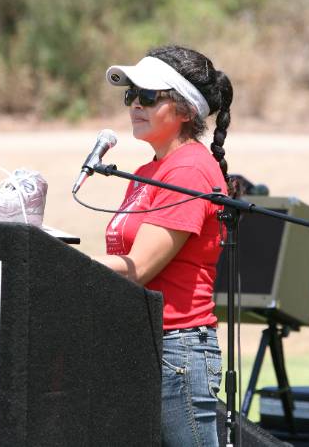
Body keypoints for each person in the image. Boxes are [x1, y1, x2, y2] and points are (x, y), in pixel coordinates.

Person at [92, 45, 234, 447]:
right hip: (144, 343)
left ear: (186, 110)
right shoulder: (146, 172)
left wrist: (67, 264)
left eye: (149, 96)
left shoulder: (188, 168)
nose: (135, 104)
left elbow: (139, 267)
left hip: (177, 351)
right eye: (130, 95)